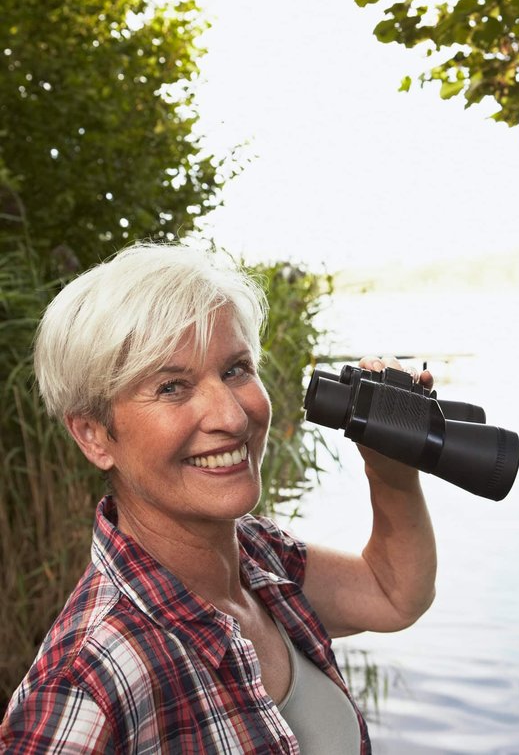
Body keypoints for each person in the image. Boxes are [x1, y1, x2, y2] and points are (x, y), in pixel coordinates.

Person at [0, 241, 436, 754]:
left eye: (235, 370)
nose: (231, 416)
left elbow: (393, 593)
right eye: (172, 387)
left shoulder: (258, 556)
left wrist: (390, 471)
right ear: (94, 435)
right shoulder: (85, 682)